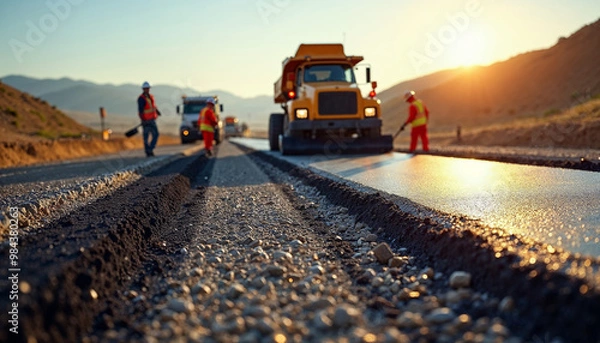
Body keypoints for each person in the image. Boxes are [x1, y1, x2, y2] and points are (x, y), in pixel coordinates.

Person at [137, 81, 161, 157]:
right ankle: (148, 151)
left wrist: (157, 112)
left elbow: (153, 106)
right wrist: (143, 120)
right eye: (145, 88)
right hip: (146, 120)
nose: (147, 90)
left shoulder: (151, 97)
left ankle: (150, 149)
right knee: (146, 136)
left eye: (148, 88)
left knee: (156, 134)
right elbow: (140, 110)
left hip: (152, 119)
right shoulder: (141, 99)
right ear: (143, 89)